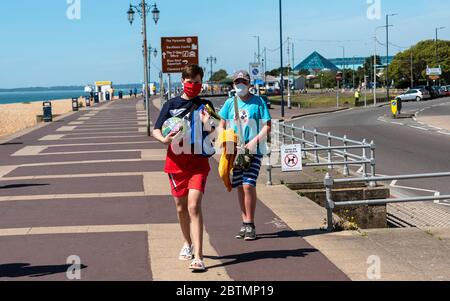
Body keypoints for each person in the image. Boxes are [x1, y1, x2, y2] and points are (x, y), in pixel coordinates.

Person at [152, 64, 216, 272]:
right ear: (182, 82)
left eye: (197, 82)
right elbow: (155, 129)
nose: (193, 86)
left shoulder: (205, 105)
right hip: (176, 163)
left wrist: (208, 123)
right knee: (181, 208)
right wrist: (163, 139)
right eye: (190, 82)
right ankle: (187, 243)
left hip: (198, 163)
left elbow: (216, 131)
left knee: (193, 206)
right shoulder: (171, 104)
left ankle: (198, 257)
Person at [218, 70, 272, 241]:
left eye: (243, 82)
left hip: (253, 150)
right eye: (237, 82)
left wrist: (255, 141)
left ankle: (250, 223)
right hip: (235, 150)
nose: (240, 85)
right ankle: (244, 223)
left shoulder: (259, 102)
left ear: (249, 84)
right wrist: (225, 137)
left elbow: (267, 125)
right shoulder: (229, 103)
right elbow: (221, 124)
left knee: (249, 184)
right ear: (233, 84)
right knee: (240, 186)